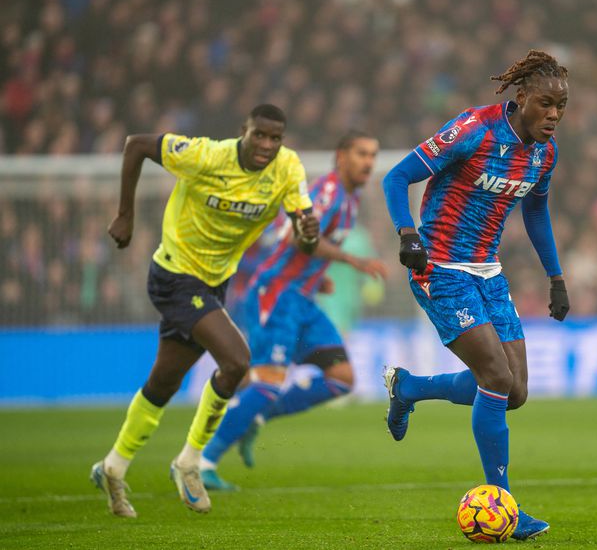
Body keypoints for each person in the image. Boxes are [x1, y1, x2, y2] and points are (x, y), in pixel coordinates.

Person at [90, 104, 320, 518]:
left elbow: (304, 234)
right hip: (175, 274)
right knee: (236, 362)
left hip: (214, 283)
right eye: (259, 135)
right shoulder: (206, 155)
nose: (266, 145)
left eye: (275, 138)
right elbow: (136, 145)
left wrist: (308, 233)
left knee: (164, 382)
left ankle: (112, 467)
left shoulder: (287, 168)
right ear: (243, 130)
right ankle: (189, 462)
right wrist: (125, 215)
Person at [381, 50, 571, 541]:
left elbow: (536, 213)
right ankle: (504, 505)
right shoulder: (474, 129)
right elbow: (396, 176)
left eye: (561, 106)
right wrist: (407, 233)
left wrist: (555, 277)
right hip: (440, 269)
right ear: (522, 97)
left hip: (488, 271)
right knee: (495, 377)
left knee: (515, 392)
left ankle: (410, 388)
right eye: (546, 103)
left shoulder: (544, 154)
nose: (554, 114)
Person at [198, 130, 388, 490]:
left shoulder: (350, 198)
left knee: (341, 377)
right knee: (267, 382)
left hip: (302, 297)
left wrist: (317, 277)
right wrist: (352, 260)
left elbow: (305, 247)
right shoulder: (328, 191)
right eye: (361, 154)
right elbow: (300, 238)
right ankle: (202, 462)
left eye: (372, 155)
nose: (368, 162)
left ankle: (254, 417)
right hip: (277, 294)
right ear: (341, 156)